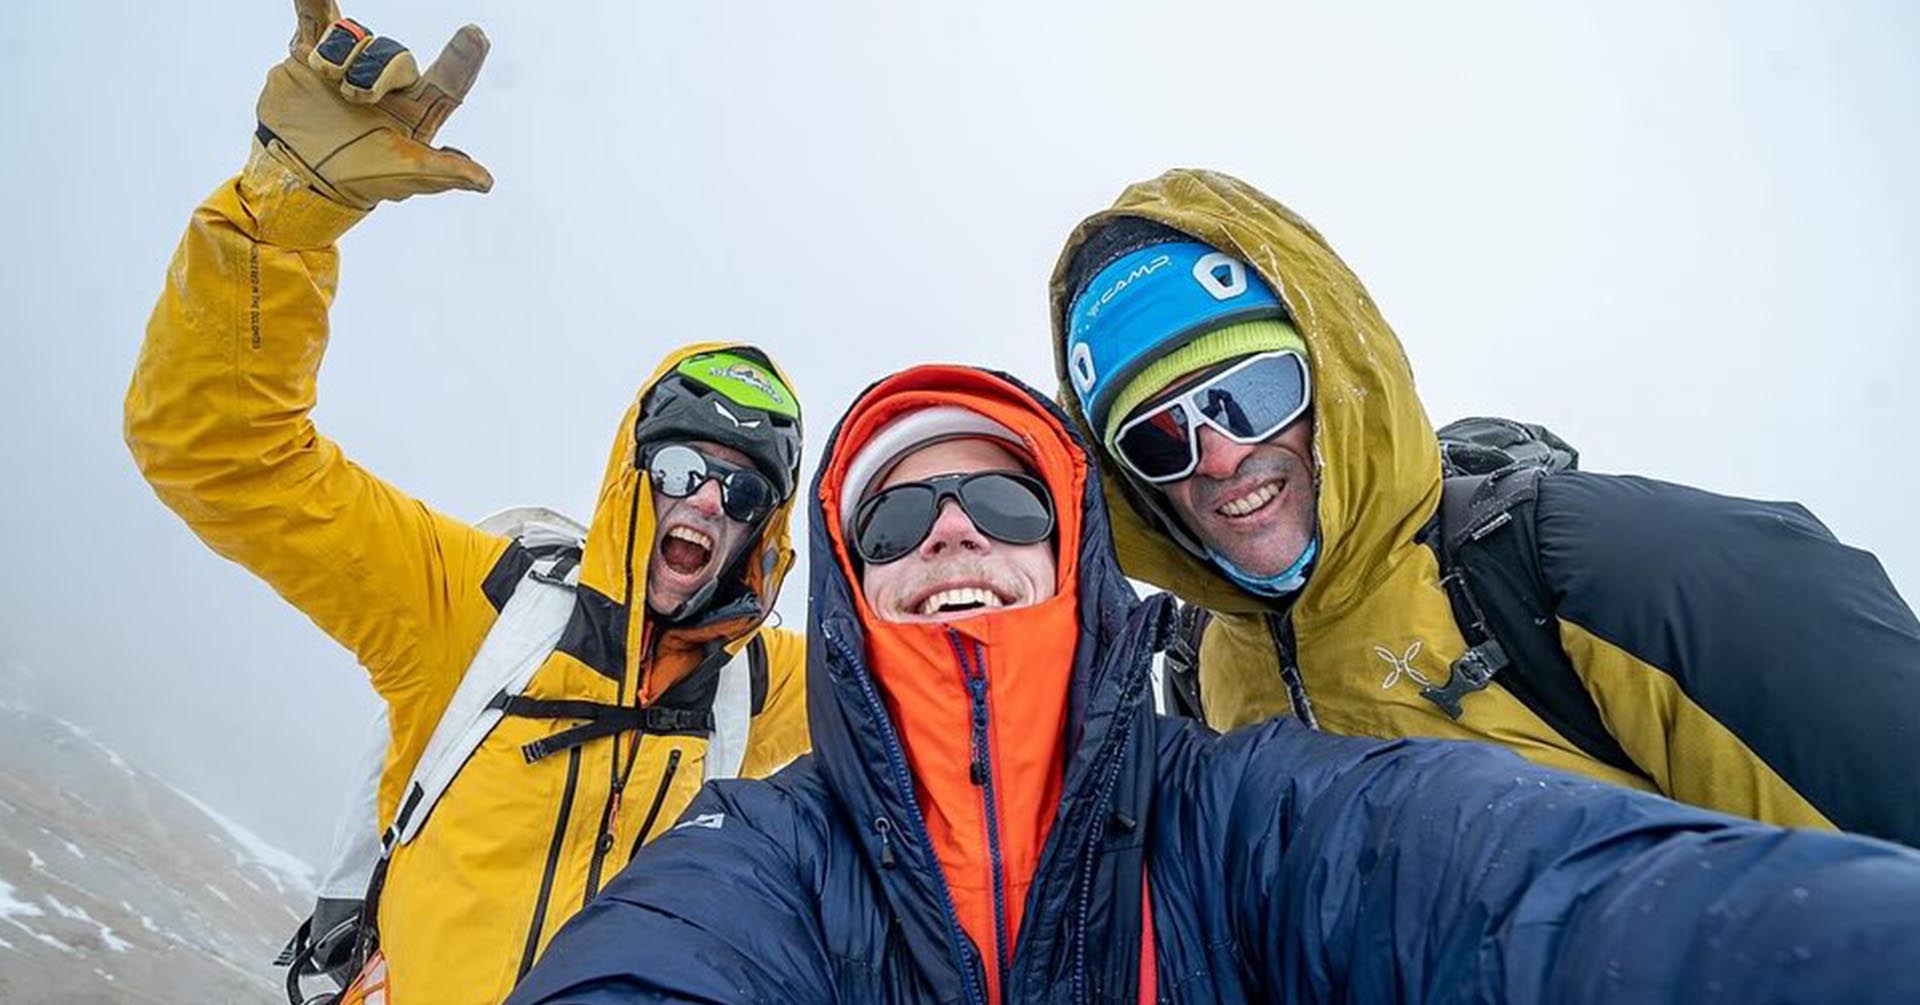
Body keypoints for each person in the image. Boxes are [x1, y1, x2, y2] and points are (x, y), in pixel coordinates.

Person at [506, 363, 1920, 1004]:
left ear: (1075, 558)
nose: (947, 533)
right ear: (851, 585)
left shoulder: (1240, 814)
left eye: (1001, 508)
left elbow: (1516, 891)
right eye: (891, 518)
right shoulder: (772, 849)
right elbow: (661, 960)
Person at [123, 4, 809, 1003]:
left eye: (741, 488)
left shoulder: (766, 689)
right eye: (678, 470)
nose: (704, 500)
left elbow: (968, 702)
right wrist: (286, 212)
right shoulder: (478, 605)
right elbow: (224, 453)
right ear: (633, 476)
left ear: (761, 529)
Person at [1049, 169, 1920, 846]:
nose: (1221, 455)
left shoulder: (1614, 568)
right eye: (1159, 439)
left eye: (1253, 391)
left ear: (1337, 380)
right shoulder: (1205, 682)